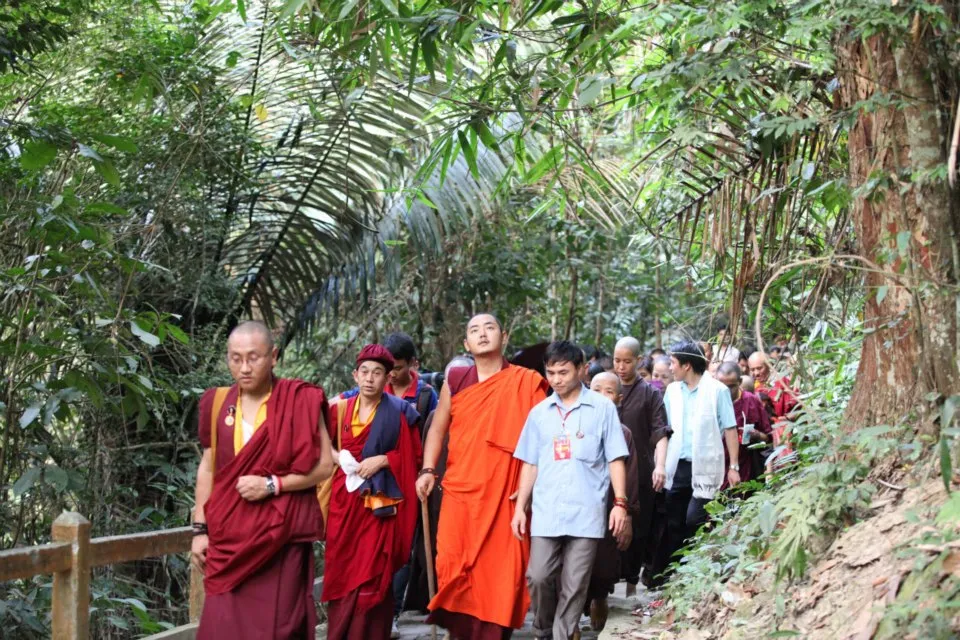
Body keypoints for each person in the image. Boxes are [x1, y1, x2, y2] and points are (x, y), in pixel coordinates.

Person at [192, 321, 334, 640]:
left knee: (278, 628)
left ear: (274, 356)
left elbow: (324, 466)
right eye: (236, 358)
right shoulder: (216, 403)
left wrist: (272, 485)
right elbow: (208, 468)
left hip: (280, 536)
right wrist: (200, 530)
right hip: (229, 541)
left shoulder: (300, 399)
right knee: (221, 627)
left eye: (253, 358)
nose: (244, 368)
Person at [416, 314, 549, 639]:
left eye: (490, 328)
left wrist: (532, 487)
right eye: (474, 330)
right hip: (461, 490)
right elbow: (438, 428)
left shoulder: (526, 381)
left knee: (501, 570)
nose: (483, 334)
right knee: (451, 561)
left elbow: (544, 435)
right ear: (467, 343)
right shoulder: (457, 379)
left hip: (507, 490)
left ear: (504, 337)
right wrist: (428, 469)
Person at [512, 342, 630, 640]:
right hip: (547, 510)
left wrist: (620, 503)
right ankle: (543, 630)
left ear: (582, 369)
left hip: (586, 511)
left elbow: (616, 458)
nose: (556, 379)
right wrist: (520, 507)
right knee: (538, 576)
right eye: (550, 372)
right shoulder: (539, 413)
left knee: (575, 583)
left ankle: (562, 635)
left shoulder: (602, 409)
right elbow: (530, 463)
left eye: (563, 372)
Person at [322, 345, 423, 639]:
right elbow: (319, 444)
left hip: (378, 506)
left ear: (388, 377)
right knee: (342, 570)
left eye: (377, 373)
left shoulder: (400, 412)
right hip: (344, 502)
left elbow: (413, 457)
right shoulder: (338, 410)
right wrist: (339, 457)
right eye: (364, 372)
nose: (369, 378)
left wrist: (384, 460)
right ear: (355, 375)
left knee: (374, 571)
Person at [662, 341, 740, 568]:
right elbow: (664, 429)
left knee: (694, 519)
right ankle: (676, 572)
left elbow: (730, 428)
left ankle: (697, 566)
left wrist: (733, 467)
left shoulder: (717, 390)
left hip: (705, 465)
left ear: (686, 365)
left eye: (673, 363)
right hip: (677, 465)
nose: (670, 368)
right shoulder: (672, 391)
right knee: (674, 522)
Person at [612, 337, 670, 595]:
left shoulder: (650, 393)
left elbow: (660, 432)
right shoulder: (606, 387)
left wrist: (660, 465)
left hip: (640, 471)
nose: (621, 367)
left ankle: (631, 584)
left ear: (638, 360)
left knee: (638, 528)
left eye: (627, 362)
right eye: (617, 361)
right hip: (607, 470)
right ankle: (605, 585)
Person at [584, 372, 640, 633]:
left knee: (604, 564)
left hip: (610, 507)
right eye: (596, 390)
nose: (602, 397)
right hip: (579, 504)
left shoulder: (623, 433)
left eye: (609, 391)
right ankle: (571, 619)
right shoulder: (575, 425)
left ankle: (599, 597)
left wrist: (627, 513)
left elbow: (631, 476)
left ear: (619, 399)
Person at [715, 363, 772, 485]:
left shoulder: (751, 401)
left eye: (731, 387)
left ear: (740, 382)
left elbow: (768, 437)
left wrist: (756, 435)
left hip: (747, 466)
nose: (727, 391)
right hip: (716, 466)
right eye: (722, 386)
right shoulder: (710, 402)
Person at [748, 351, 799, 419]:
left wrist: (785, 419)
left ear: (769, 365)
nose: (756, 373)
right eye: (752, 370)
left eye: (759, 368)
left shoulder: (783, 382)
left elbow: (800, 409)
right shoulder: (756, 388)